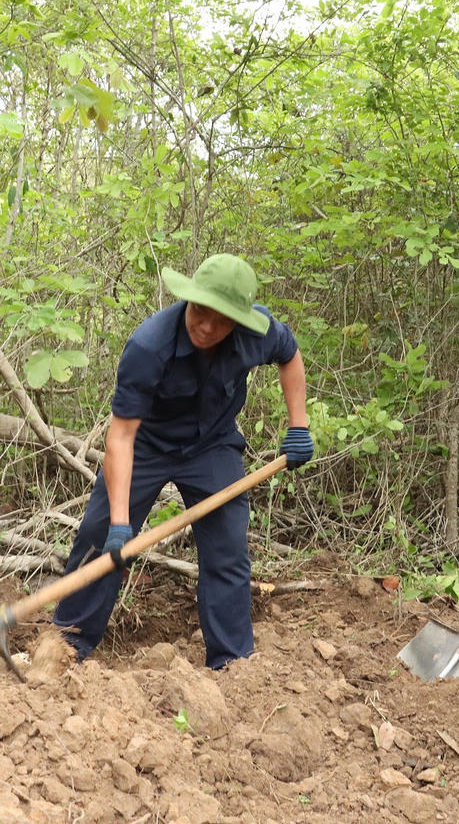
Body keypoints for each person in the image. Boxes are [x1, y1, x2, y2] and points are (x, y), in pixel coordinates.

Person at [52, 252, 313, 670]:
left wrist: (298, 425)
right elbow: (121, 437)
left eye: (220, 321)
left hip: (212, 445)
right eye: (200, 312)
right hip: (146, 445)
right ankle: (67, 645)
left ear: (239, 321)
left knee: (227, 549)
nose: (206, 327)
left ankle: (232, 663)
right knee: (100, 536)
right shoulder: (149, 345)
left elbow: (290, 355)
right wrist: (120, 524)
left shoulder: (257, 333)